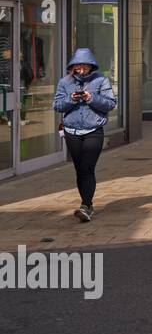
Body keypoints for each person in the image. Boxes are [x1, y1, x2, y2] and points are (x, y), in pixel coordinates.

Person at [53, 49, 117, 223]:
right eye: (79, 66)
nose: (82, 70)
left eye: (86, 66)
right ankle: (87, 206)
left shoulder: (101, 81)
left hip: (93, 130)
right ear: (73, 66)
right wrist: (71, 99)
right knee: (80, 170)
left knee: (87, 168)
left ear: (91, 66)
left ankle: (85, 205)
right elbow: (57, 105)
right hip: (71, 131)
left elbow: (111, 104)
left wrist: (92, 98)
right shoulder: (64, 82)